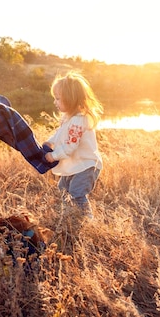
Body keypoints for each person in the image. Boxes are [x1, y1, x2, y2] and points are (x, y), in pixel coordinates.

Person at [44, 71, 103, 220]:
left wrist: (54, 156)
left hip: (86, 166)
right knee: (63, 189)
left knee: (77, 193)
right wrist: (50, 142)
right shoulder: (68, 117)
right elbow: (60, 134)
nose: (55, 102)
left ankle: (87, 221)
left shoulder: (79, 120)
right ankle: (69, 217)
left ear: (70, 99)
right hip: (75, 165)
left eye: (58, 99)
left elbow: (71, 146)